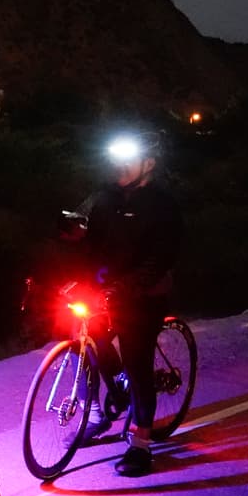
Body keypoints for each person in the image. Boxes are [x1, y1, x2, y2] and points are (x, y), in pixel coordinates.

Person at [59, 130, 183, 476]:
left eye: (128, 160)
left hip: (145, 293)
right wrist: (69, 232)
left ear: (149, 164)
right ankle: (104, 406)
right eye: (116, 160)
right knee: (84, 338)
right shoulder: (104, 198)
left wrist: (126, 287)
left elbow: (161, 258)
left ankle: (141, 444)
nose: (120, 166)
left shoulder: (162, 205)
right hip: (107, 289)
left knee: (136, 358)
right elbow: (88, 240)